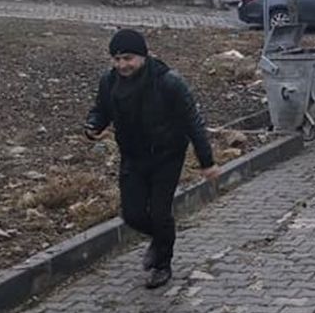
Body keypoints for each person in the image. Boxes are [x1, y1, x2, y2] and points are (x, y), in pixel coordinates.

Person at [84, 29, 220, 289]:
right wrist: (93, 125)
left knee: (159, 212)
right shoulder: (109, 82)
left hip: (166, 156)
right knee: (132, 214)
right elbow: (101, 109)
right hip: (133, 156)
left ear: (143, 56)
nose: (122, 65)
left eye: (128, 58)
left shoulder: (168, 82)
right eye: (117, 59)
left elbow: (193, 123)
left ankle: (162, 264)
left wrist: (207, 162)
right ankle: (160, 240)